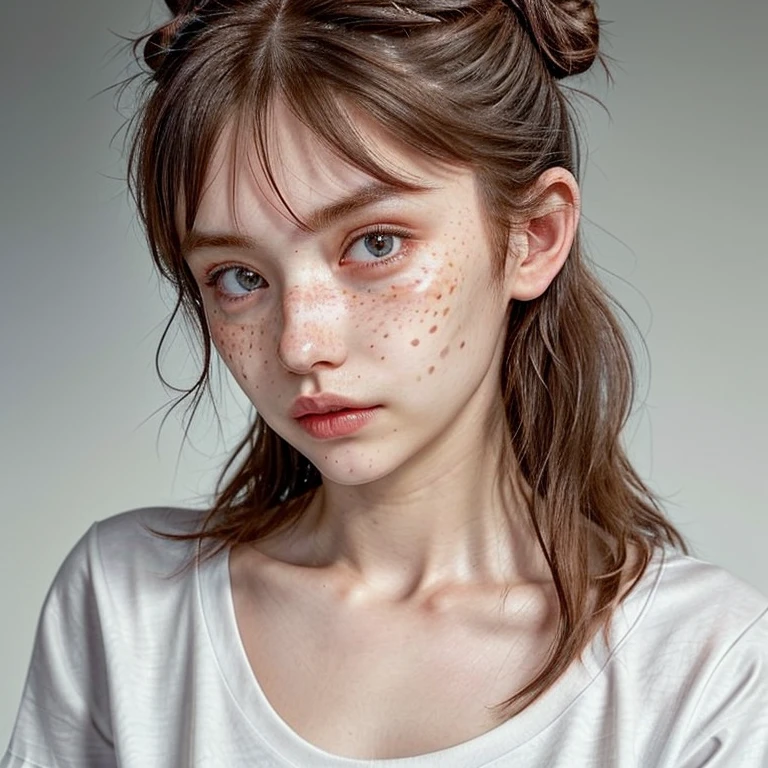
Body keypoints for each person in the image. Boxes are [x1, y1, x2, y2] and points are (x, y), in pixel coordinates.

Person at [2, 0, 767, 765]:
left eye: (375, 243)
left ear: (532, 237)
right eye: (239, 277)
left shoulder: (705, 668)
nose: (302, 344)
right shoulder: (124, 609)